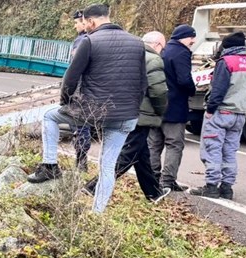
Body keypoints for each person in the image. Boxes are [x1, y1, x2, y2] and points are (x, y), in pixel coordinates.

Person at [27, 4, 145, 213]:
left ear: (90, 21)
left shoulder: (90, 41)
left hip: (93, 111)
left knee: (49, 117)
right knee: (107, 166)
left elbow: (70, 79)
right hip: (126, 115)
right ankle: (97, 212)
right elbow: (143, 83)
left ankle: (50, 166)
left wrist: (66, 103)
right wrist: (133, 109)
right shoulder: (137, 43)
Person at [85, 31, 169, 201]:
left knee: (141, 154)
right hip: (141, 114)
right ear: (157, 45)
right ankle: (94, 186)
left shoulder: (127, 55)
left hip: (120, 109)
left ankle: (153, 193)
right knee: (127, 155)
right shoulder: (153, 59)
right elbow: (158, 91)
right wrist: (161, 111)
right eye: (163, 48)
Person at [191, 32, 246, 199]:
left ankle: (211, 186)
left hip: (222, 112)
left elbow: (218, 90)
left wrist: (209, 110)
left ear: (227, 46)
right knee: (230, 151)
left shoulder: (226, 62)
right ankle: (227, 188)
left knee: (213, 148)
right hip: (240, 114)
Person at [154, 24, 197, 192]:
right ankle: (167, 180)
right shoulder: (181, 53)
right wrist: (193, 90)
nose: (193, 41)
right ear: (185, 37)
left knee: (154, 143)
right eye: (192, 37)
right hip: (175, 106)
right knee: (174, 144)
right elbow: (184, 80)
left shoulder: (163, 51)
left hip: (157, 105)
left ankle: (152, 176)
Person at [70, 10, 95, 172]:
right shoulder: (87, 39)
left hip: (80, 91)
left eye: (77, 23)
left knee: (80, 127)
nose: (75, 26)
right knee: (83, 126)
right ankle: (81, 161)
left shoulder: (83, 41)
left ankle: (81, 162)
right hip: (88, 91)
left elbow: (75, 68)